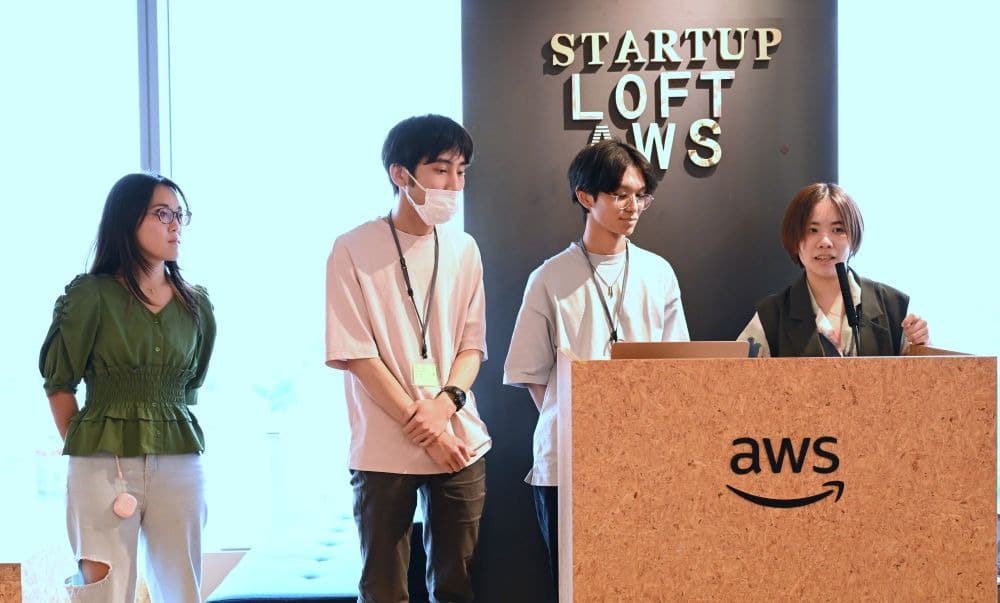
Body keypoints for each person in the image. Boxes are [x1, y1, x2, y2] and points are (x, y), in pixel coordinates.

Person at [503, 139, 690, 596]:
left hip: (645, 459)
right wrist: (577, 423)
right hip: (566, 462)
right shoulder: (549, 277)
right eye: (620, 195)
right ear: (586, 196)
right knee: (574, 587)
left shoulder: (658, 273)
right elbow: (532, 375)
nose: (633, 207)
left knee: (643, 584)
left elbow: (678, 364)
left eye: (641, 195)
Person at [325, 114, 490, 603]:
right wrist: (429, 428)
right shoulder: (352, 248)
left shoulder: (464, 249)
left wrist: (445, 407)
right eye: (441, 170)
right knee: (383, 590)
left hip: (460, 442)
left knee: (456, 588)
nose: (453, 184)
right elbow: (357, 354)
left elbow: (472, 345)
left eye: (461, 171)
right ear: (401, 174)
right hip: (383, 448)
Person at [39, 173, 216, 602]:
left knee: (182, 589)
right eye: (163, 214)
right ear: (127, 219)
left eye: (180, 215)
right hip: (102, 461)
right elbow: (59, 383)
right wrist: (86, 449)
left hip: (179, 459)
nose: (175, 225)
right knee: (102, 592)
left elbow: (188, 389)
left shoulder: (196, 305)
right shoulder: (90, 296)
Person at [737, 182, 929, 357]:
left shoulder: (893, 306)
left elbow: (924, 378)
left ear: (854, 237)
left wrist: (921, 344)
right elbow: (733, 376)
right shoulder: (771, 316)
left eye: (838, 230)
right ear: (794, 239)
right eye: (812, 230)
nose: (825, 242)